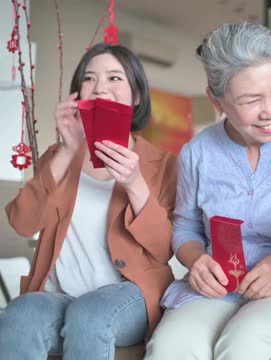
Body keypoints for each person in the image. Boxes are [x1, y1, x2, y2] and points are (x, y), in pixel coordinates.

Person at [144, 22, 271, 360]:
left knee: (244, 346)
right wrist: (196, 260)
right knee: (171, 347)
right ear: (217, 101)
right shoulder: (196, 154)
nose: (270, 110)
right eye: (251, 100)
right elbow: (186, 226)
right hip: (215, 288)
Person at [0, 43, 177, 360]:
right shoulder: (59, 156)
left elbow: (164, 248)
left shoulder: (162, 164)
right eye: (89, 79)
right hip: (60, 295)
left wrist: (134, 183)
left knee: (91, 314)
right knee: (20, 313)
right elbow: (22, 222)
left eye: (114, 78)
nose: (99, 88)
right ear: (78, 94)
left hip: (130, 295)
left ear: (136, 95)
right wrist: (67, 150)